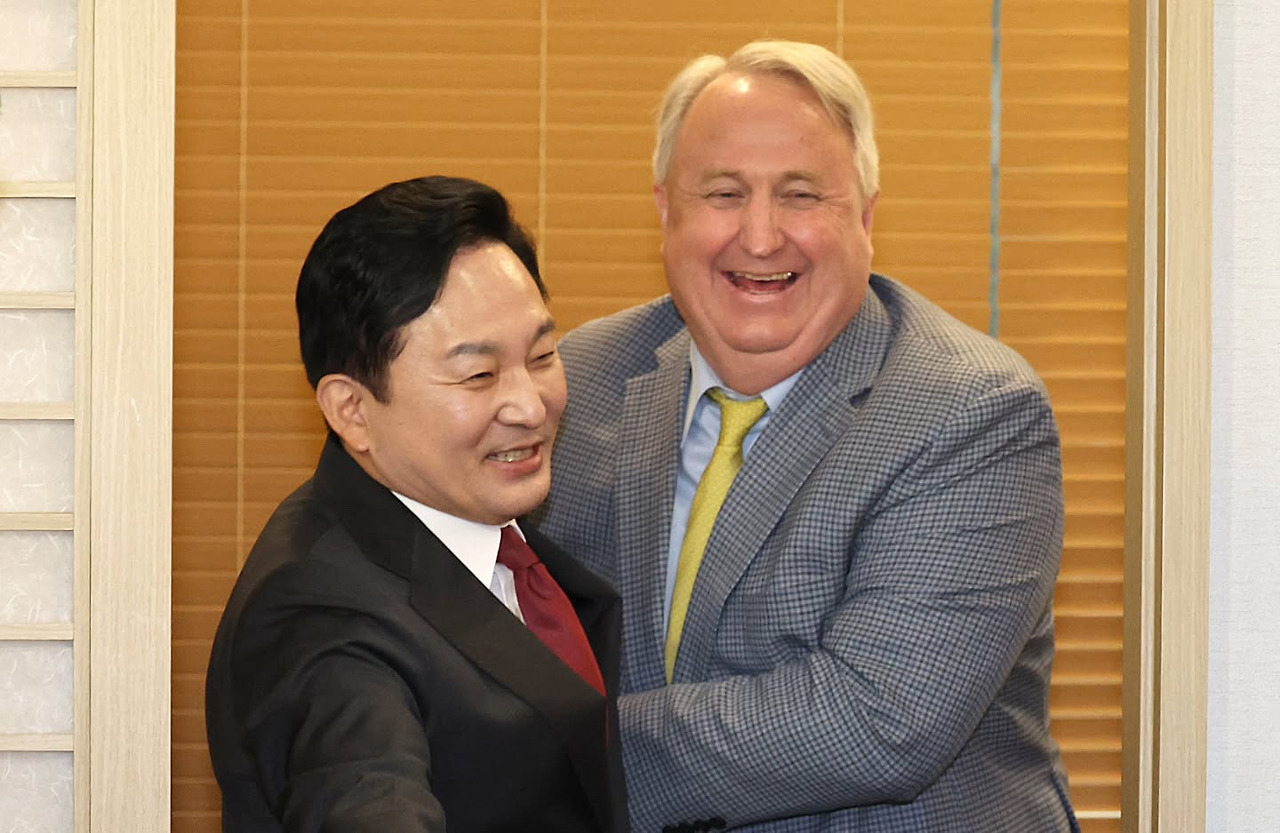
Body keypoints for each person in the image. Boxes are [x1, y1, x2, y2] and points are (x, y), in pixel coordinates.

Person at [537, 40, 1080, 832]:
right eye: (724, 193)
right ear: (665, 211)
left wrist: (544, 751)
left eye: (800, 195)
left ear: (865, 216)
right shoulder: (579, 378)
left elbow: (876, 719)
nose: (760, 238)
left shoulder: (972, 410)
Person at [205, 175, 628, 833]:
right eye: (479, 375)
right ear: (353, 409)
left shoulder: (488, 523)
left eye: (543, 355)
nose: (530, 405)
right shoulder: (320, 615)